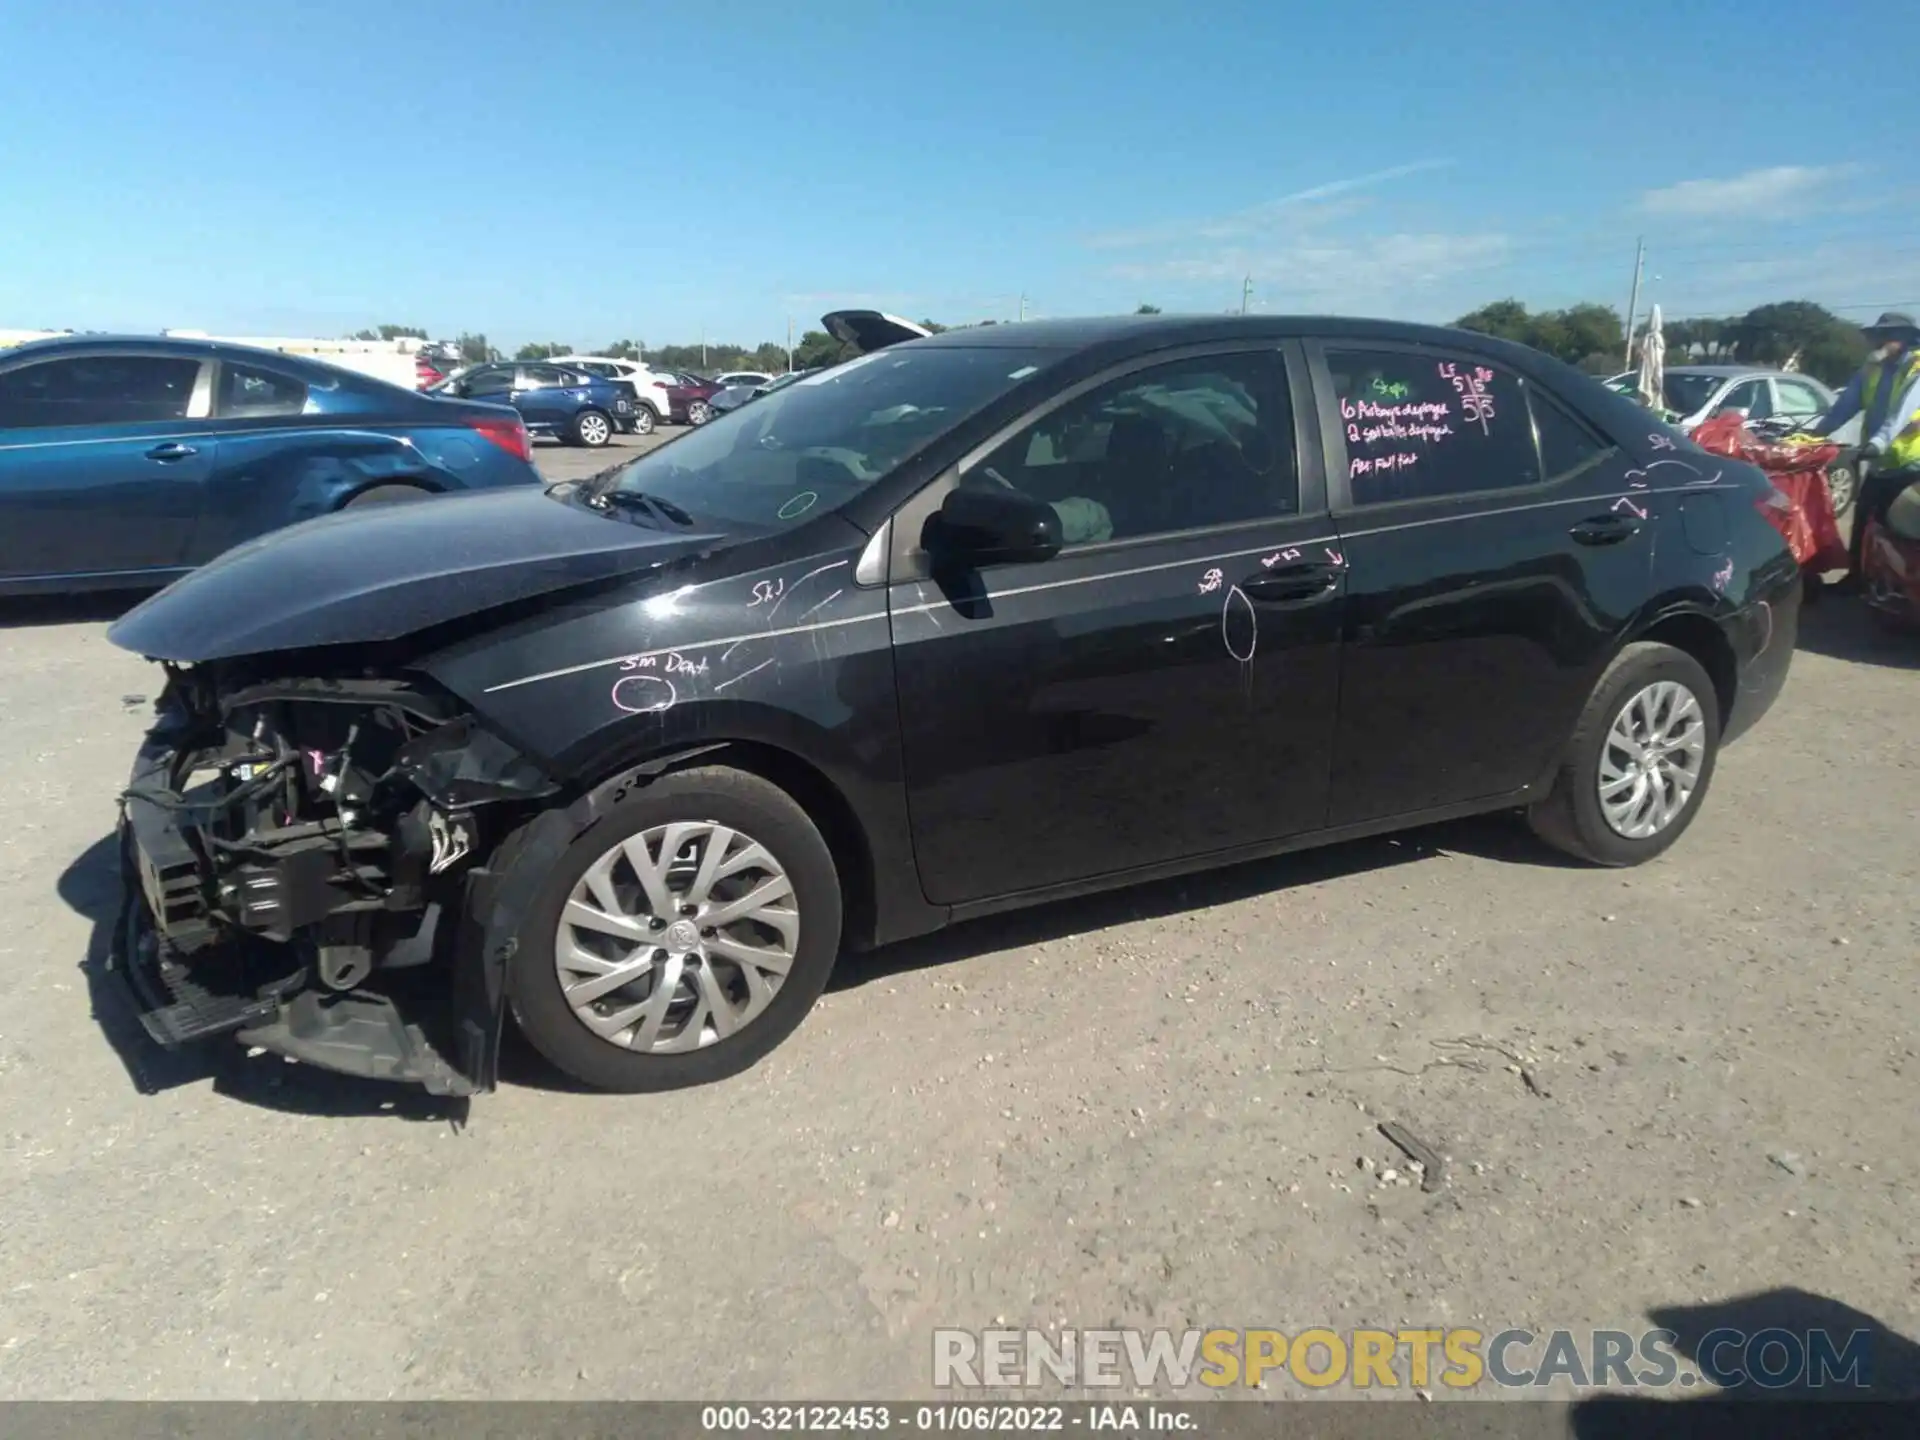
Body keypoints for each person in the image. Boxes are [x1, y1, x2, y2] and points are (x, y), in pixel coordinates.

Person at [1807, 311, 1920, 590]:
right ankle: (1857, 578)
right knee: (1865, 521)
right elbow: (1843, 408)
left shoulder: (1916, 370)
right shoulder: (1871, 370)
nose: (1882, 341)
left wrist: (1877, 443)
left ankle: (1901, 588)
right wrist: (1813, 436)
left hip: (1911, 463)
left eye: (1889, 335)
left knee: (1903, 530)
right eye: (1879, 335)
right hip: (1880, 462)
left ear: (1906, 339)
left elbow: (1901, 414)